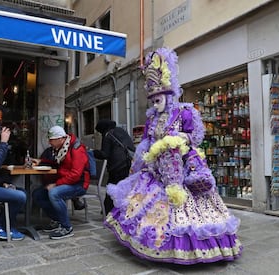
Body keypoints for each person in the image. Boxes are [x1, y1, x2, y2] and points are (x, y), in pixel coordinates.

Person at [104, 47, 242, 264]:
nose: (154, 104)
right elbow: (148, 143)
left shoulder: (185, 112)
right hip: (156, 169)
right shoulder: (152, 118)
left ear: (169, 95)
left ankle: (195, 248)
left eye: (158, 99)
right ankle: (154, 244)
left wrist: (179, 138)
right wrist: (140, 161)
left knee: (188, 206)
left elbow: (196, 136)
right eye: (152, 100)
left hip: (184, 167)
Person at [32, 125, 90, 240]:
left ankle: (66, 227)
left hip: (79, 184)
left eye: (51, 140)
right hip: (67, 182)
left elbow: (75, 174)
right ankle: (57, 220)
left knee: (54, 193)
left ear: (60, 139)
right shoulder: (63, 149)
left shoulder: (76, 149)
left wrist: (56, 184)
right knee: (37, 194)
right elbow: (57, 164)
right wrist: (41, 161)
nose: (49, 143)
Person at [93, 119, 134, 214]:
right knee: (126, 188)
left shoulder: (108, 135)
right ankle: (126, 210)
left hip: (117, 167)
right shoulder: (121, 131)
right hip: (129, 163)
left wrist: (93, 152)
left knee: (111, 188)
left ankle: (108, 211)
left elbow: (105, 154)